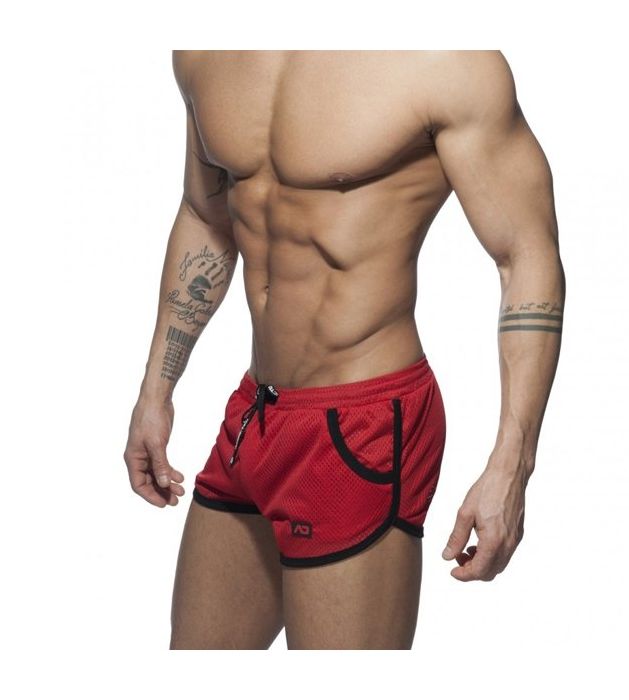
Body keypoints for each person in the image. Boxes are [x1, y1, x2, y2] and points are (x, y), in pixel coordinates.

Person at [123, 49, 565, 650]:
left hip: (364, 425)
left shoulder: (445, 60)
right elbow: (206, 215)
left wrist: (512, 465)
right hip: (257, 409)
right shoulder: (206, 50)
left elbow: (526, 256)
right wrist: (156, 391)